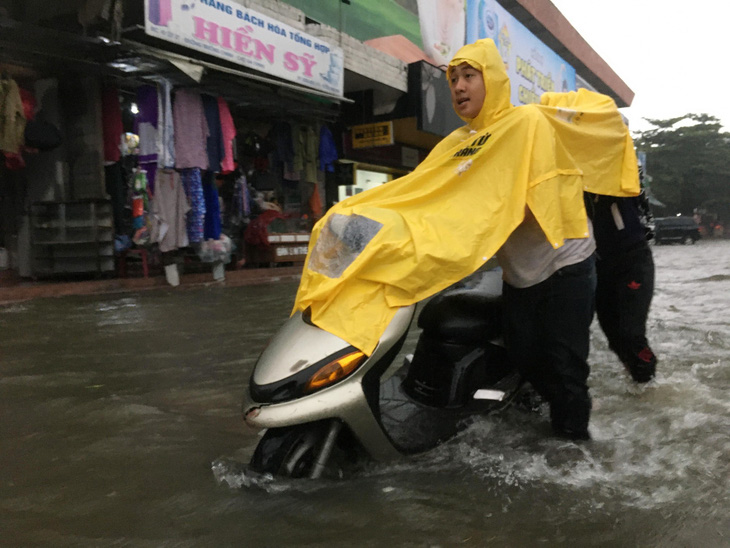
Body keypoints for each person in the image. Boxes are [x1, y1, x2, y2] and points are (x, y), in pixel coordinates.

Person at [293, 39, 640, 441]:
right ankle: (538, 409)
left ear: (491, 79)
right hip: (520, 275)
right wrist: (354, 219)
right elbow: (419, 195)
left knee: (565, 368)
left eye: (469, 76)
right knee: (528, 357)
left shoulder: (526, 123)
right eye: (453, 78)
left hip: (566, 267)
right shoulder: (456, 144)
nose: (458, 86)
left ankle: (574, 451)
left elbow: (514, 197)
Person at [587, 168, 657, 383]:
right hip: (599, 264)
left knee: (630, 333)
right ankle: (637, 378)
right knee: (614, 337)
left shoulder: (617, 168)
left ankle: (647, 381)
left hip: (632, 260)